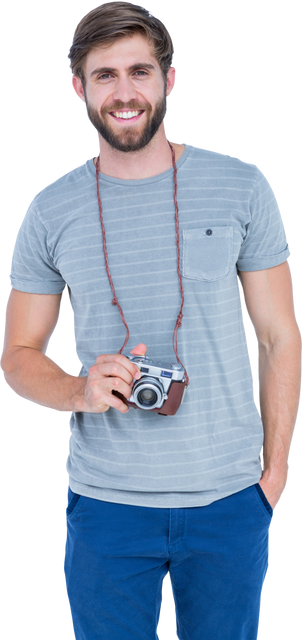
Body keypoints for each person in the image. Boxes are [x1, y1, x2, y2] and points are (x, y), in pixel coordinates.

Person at [1, 2, 301, 639]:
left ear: (169, 79)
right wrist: (79, 390)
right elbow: (19, 356)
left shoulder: (242, 185)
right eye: (104, 75)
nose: (125, 92)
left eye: (140, 71)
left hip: (230, 501)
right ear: (79, 88)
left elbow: (279, 337)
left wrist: (274, 474)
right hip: (107, 508)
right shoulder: (50, 209)